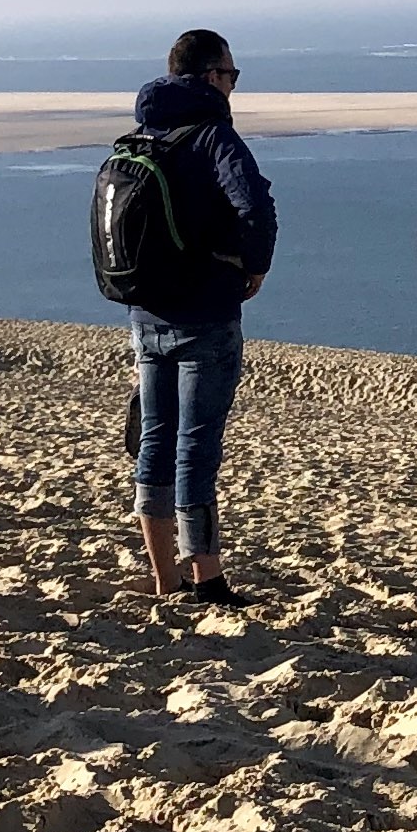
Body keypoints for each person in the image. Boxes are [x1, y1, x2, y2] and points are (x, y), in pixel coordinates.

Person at [112, 30, 274, 606]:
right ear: (210, 77)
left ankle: (164, 577)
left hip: (146, 312)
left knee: (155, 438)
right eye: (231, 75)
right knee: (197, 446)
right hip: (205, 313)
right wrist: (254, 268)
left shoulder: (144, 135)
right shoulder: (212, 136)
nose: (232, 85)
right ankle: (207, 578)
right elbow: (254, 204)